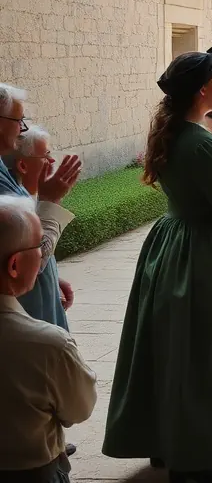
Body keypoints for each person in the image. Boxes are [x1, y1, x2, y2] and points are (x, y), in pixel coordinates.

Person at [103, 42, 212, 482]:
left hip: (172, 243)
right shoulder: (201, 143)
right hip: (205, 254)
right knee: (208, 351)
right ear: (203, 90)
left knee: (172, 348)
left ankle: (166, 443)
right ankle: (200, 458)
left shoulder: (177, 134)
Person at [0, 195, 97, 483]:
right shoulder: (47, 345)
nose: (45, 255)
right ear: (14, 265)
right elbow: (79, 408)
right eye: (41, 246)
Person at [0, 85, 80, 332]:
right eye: (18, 120)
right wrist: (50, 201)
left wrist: (52, 278)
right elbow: (19, 252)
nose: (21, 129)